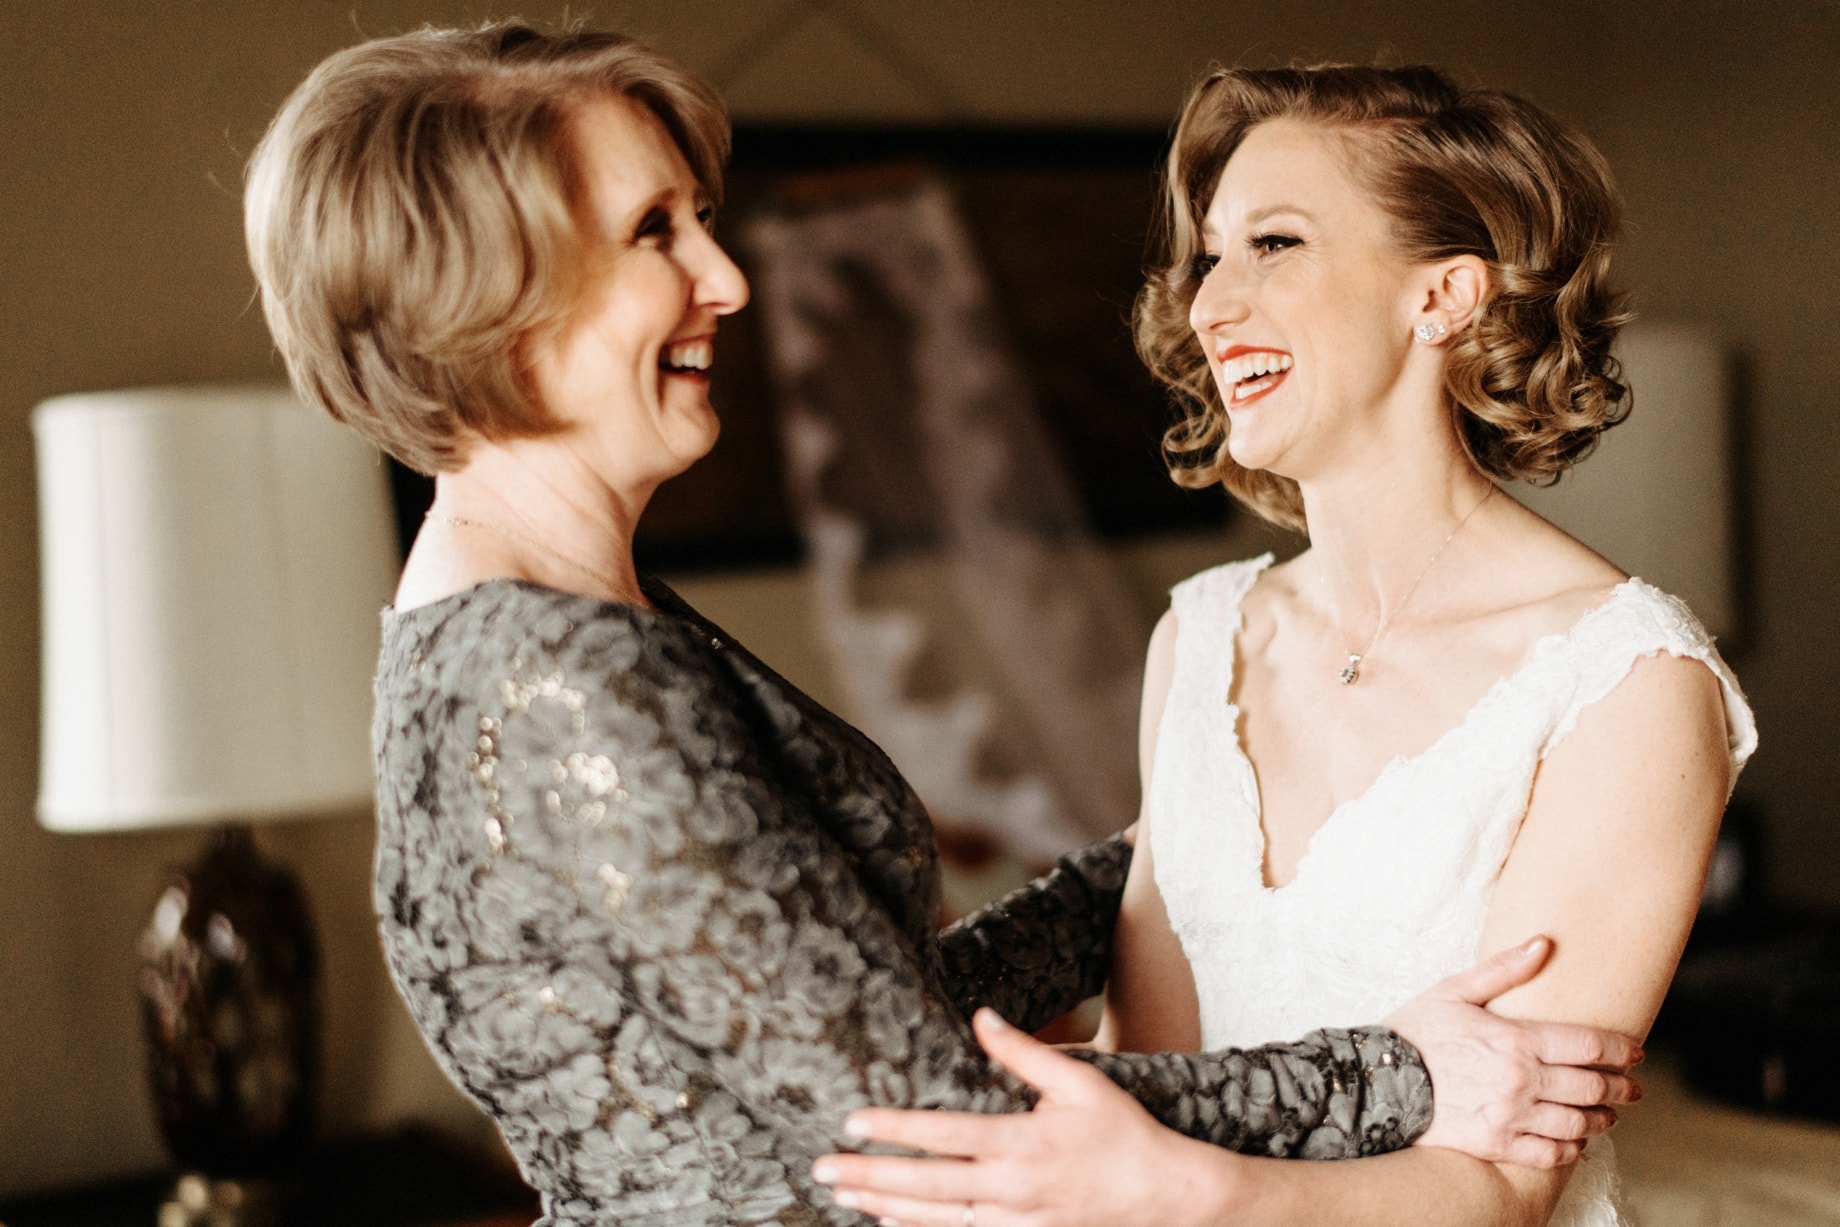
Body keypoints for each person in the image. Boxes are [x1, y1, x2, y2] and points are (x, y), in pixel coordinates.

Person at [245, 30, 1644, 1226]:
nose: (727, 278)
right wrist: (1391, 1075)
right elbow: (925, 1112)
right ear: (487, 294)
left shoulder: (535, 617)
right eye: (655, 231)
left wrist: (1178, 842)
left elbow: (844, 1017)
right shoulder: (564, 680)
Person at [812, 63, 1758, 1227]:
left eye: (1275, 244)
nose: (1211, 303)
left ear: (1443, 296)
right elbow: (1154, 1071)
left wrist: (1180, 1192)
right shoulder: (1202, 635)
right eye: (1210, 256)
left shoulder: (1625, 680)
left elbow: (1499, 1184)